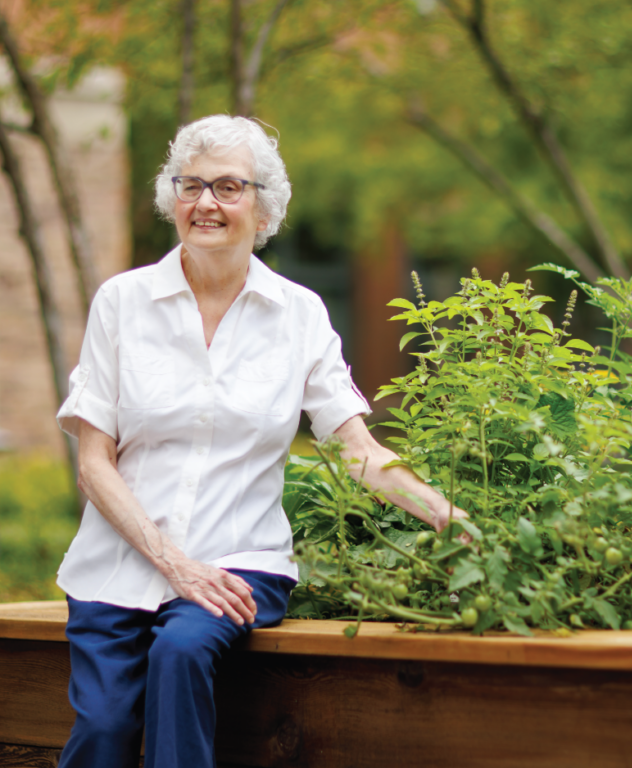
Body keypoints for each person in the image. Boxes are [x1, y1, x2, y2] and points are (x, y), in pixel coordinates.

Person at [54, 114, 466, 768]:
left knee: (181, 650)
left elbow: (356, 448)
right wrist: (172, 561)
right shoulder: (122, 302)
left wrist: (444, 512)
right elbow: (93, 463)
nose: (206, 203)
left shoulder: (299, 314)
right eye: (190, 185)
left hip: (239, 560)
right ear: (172, 199)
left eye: (228, 186)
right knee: (103, 731)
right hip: (119, 564)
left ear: (263, 206)